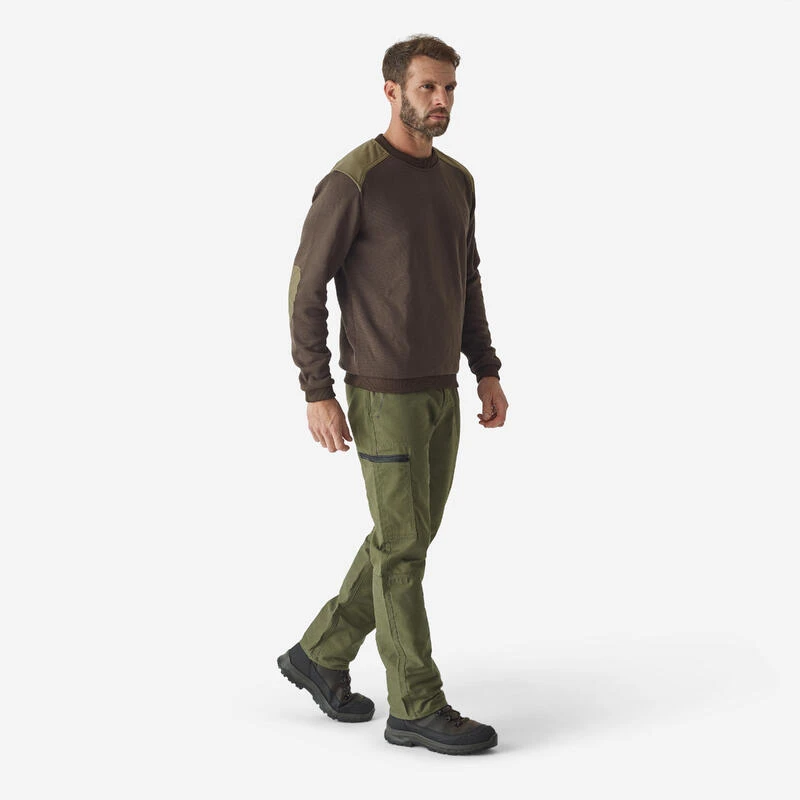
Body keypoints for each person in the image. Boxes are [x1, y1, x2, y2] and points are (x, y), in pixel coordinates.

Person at [278, 33, 508, 756]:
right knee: (403, 548)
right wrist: (317, 389)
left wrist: (486, 367)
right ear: (392, 91)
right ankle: (416, 703)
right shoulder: (354, 180)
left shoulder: (458, 180)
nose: (441, 101)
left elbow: (466, 278)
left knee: (403, 538)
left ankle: (320, 653)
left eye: (450, 89)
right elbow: (305, 288)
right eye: (428, 87)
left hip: (442, 388)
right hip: (382, 394)